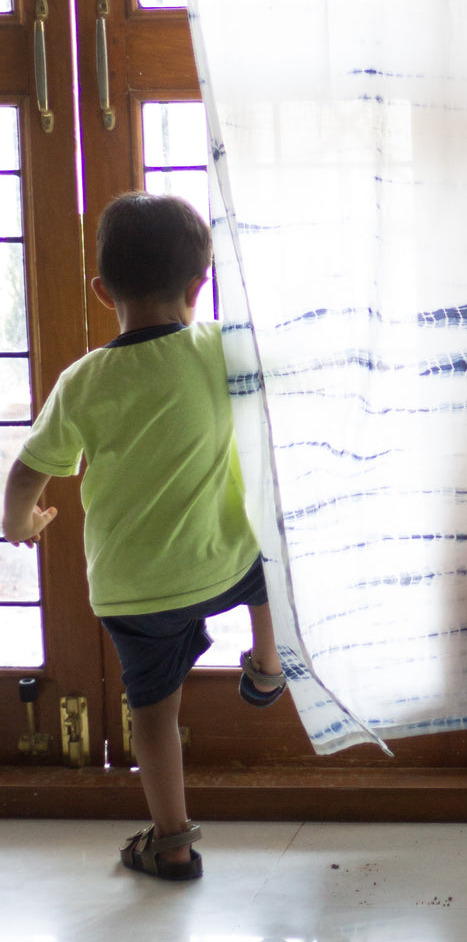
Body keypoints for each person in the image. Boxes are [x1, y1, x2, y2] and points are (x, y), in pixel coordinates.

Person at [2, 191, 286, 881]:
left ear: (102, 292)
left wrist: (20, 525)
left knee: (153, 713)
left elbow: (26, 473)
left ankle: (173, 842)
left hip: (134, 589)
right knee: (276, 565)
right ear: (199, 285)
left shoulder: (83, 381)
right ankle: (269, 661)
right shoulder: (221, 347)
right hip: (226, 561)